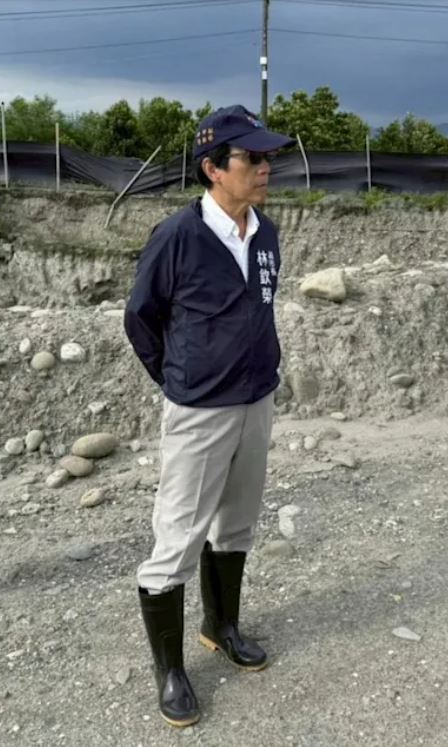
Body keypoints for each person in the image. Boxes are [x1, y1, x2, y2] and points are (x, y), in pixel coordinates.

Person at [124, 105, 295, 728]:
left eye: (267, 157)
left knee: (239, 524)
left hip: (256, 400)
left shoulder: (265, 232)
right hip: (201, 409)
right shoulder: (178, 236)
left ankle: (221, 626)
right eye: (252, 158)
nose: (265, 168)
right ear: (213, 168)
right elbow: (141, 319)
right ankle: (170, 670)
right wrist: (182, 381)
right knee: (177, 539)